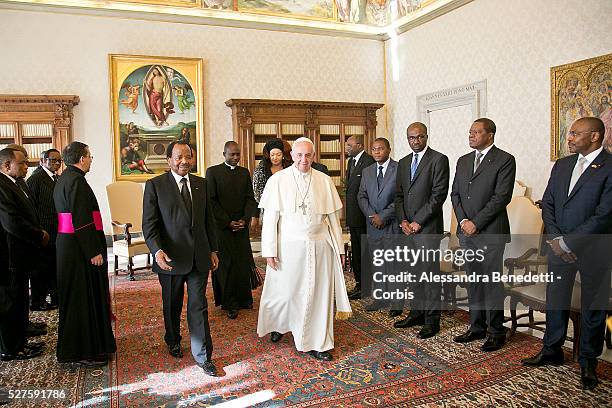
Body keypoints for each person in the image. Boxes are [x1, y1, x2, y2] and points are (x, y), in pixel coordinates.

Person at [522, 117, 612, 390]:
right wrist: (556, 239)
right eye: (569, 133)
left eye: (575, 133)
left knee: (593, 307)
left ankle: (588, 361)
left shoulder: (609, 166)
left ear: (595, 136)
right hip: (558, 246)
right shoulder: (562, 165)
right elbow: (547, 203)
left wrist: (569, 243)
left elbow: (605, 214)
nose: (569, 138)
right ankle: (552, 349)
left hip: (594, 248)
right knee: (556, 299)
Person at [257, 137, 352, 361]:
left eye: (308, 155)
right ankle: (280, 325)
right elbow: (270, 219)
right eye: (299, 155)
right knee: (286, 293)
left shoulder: (324, 180)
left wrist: (339, 249)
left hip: (320, 248)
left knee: (317, 296)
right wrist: (269, 250)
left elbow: (333, 219)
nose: (304, 160)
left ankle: (317, 342)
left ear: (313, 156)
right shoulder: (278, 181)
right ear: (292, 156)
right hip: (288, 248)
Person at [142, 141, 220, 376]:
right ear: (169, 160)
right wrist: (157, 251)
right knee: (172, 304)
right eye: (178, 157)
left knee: (199, 306)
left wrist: (213, 250)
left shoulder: (201, 184)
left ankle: (203, 356)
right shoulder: (155, 185)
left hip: (198, 257)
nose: (184, 161)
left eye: (188, 156)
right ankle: (173, 339)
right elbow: (150, 224)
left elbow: (209, 221)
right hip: (170, 258)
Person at [450, 118, 515, 352]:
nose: (471, 136)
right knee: (474, 282)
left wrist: (476, 223)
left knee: (491, 283)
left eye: (476, 132)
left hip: (490, 233)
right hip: (467, 232)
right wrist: (465, 221)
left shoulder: (504, 160)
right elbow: (455, 194)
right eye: (470, 132)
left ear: (491, 135)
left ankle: (496, 331)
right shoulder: (464, 160)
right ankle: (476, 326)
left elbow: (501, 197)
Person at [54, 142, 116, 367]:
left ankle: (80, 348)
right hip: (79, 249)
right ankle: (83, 351)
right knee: (81, 299)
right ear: (81, 158)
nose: (91, 160)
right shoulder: (76, 181)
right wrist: (93, 252)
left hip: (69, 246)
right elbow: (81, 220)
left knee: (77, 298)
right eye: (89, 156)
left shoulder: (65, 179)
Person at [393, 122, 449, 339]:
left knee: (430, 276)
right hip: (407, 229)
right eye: (411, 138)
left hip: (427, 228)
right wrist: (403, 221)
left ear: (426, 136)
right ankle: (416, 313)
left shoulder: (438, 159)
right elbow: (398, 196)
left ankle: (432, 321)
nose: (415, 141)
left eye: (419, 137)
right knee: (414, 273)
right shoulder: (404, 162)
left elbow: (438, 196)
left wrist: (418, 222)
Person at [0, 147, 49, 361]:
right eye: (21, 163)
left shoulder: (15, 182)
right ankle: (10, 349)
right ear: (6, 165)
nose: (26, 166)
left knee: (20, 300)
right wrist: (38, 235)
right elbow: (12, 222)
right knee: (10, 304)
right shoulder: (1, 185)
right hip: (8, 255)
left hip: (21, 254)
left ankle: (20, 342)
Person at [206, 141, 258, 320]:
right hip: (223, 228)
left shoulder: (244, 173)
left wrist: (244, 219)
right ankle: (229, 303)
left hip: (241, 226)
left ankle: (244, 299)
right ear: (224, 154)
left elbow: (250, 199)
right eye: (232, 155)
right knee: (225, 265)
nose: (235, 158)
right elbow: (211, 201)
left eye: (238, 154)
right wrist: (228, 222)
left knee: (241, 263)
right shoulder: (212, 172)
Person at [357, 137, 400, 314]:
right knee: (379, 264)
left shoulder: (399, 168)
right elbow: (361, 196)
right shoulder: (367, 171)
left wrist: (383, 216)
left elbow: (400, 197)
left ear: (389, 149)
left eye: (380, 149)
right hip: (372, 225)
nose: (377, 152)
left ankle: (397, 303)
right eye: (374, 149)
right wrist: (372, 215)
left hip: (391, 225)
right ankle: (381, 299)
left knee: (393, 265)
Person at [26, 149, 62, 311]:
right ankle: (37, 301)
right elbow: (30, 207)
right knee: (41, 270)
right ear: (43, 161)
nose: (56, 163)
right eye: (52, 160)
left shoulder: (57, 178)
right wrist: (38, 231)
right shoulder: (36, 179)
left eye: (59, 161)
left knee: (54, 266)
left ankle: (54, 296)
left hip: (57, 230)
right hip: (44, 231)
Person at [345, 134, 375, 300]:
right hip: (353, 216)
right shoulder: (351, 161)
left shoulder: (368, 161)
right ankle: (359, 284)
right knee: (356, 251)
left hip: (364, 216)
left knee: (364, 252)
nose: (346, 148)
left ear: (359, 145)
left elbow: (368, 191)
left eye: (349, 145)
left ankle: (365, 285)